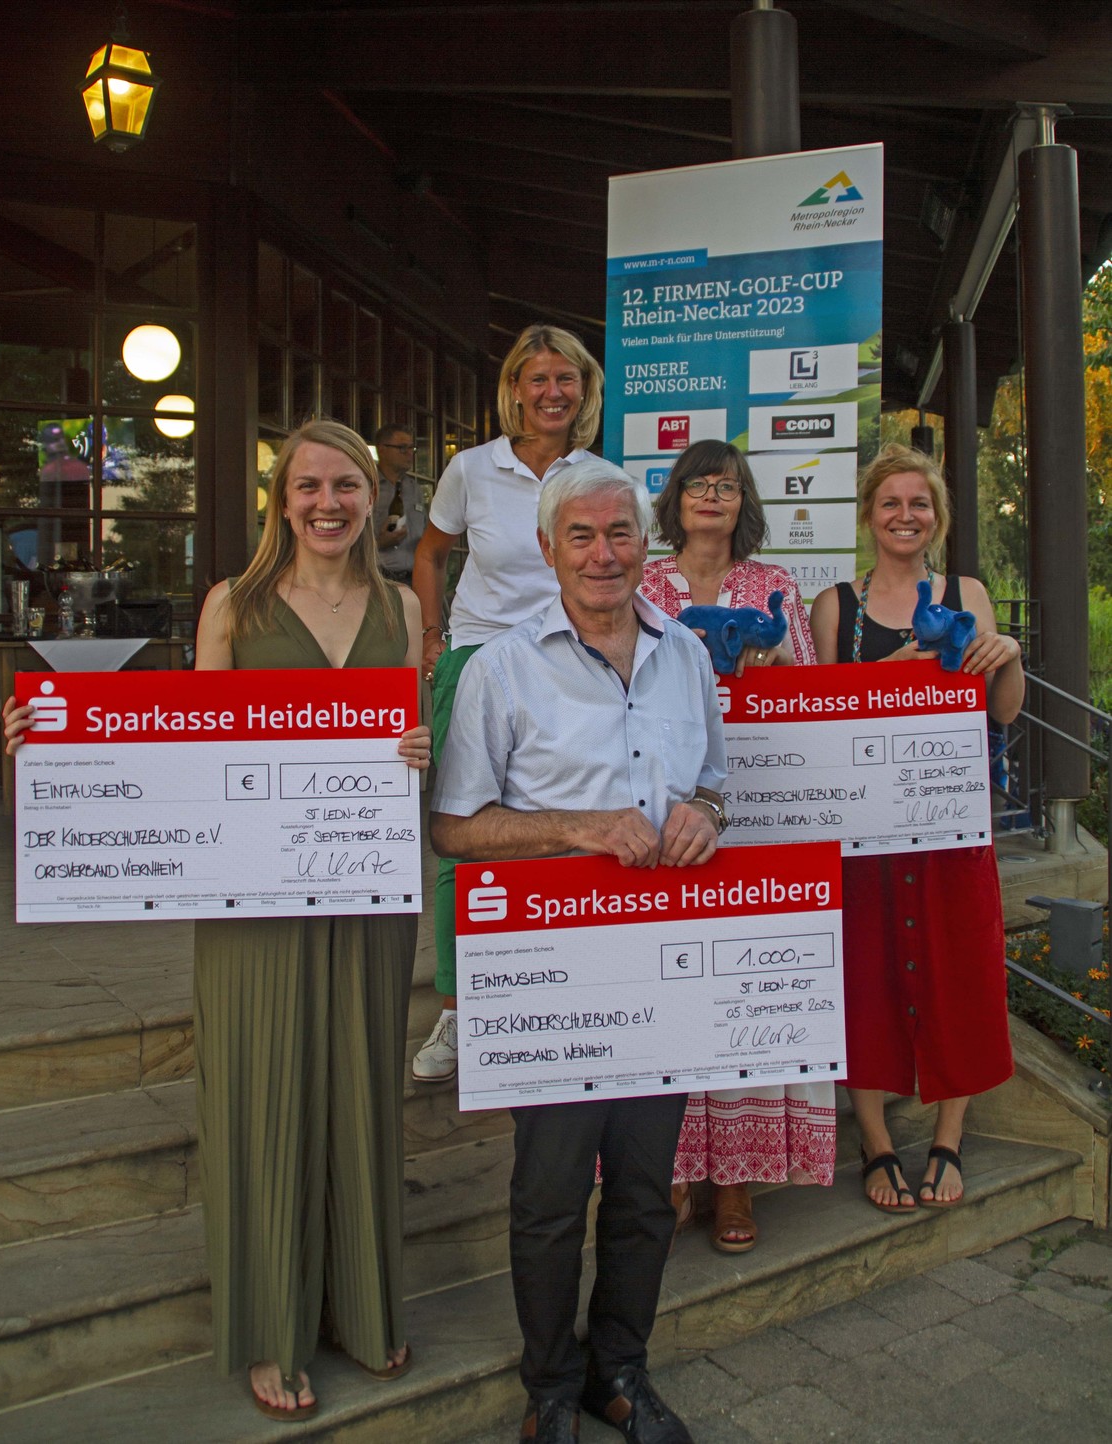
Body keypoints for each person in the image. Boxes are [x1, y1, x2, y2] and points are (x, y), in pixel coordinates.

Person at [6, 419, 433, 1419]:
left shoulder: (407, 607)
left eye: (347, 486)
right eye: (308, 486)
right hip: (255, 902)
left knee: (363, 1085)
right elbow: (192, 754)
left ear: (374, 499)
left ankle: (361, 1307)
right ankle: (269, 1327)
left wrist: (415, 749)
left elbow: (415, 745)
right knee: (263, 1091)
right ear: (280, 501)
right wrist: (56, 744)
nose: (327, 503)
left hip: (366, 894)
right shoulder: (232, 607)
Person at [431, 458, 724, 1444]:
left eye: (621, 534)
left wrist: (704, 814)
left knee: (644, 1192)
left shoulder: (686, 654)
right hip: (552, 970)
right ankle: (550, 1387)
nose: (605, 554)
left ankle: (622, 1372)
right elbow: (455, 830)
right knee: (551, 1194)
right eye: (583, 537)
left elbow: (715, 783)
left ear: (648, 545)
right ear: (550, 549)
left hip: (660, 971)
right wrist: (581, 828)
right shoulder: (501, 667)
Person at [809, 442, 1024, 1212]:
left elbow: (1001, 711)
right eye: (891, 502)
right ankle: (873, 1139)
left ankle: (947, 1136)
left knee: (956, 968)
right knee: (863, 976)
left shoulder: (967, 592)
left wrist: (1008, 655)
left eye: (920, 504)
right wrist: (897, 666)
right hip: (864, 831)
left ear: (937, 516)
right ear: (869, 514)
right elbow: (820, 722)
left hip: (950, 823)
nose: (906, 515)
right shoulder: (835, 604)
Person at [639, 440, 834, 1254]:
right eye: (697, 484)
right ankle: (669, 1169)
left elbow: (813, 692)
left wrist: (780, 656)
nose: (710, 497)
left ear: (742, 500)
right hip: (665, 805)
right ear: (676, 499)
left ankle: (737, 1181)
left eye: (725, 486)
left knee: (745, 986)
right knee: (671, 986)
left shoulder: (776, 586)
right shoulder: (645, 583)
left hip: (762, 802)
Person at [410, 324, 604, 1082]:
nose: (553, 392)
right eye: (539, 379)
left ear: (584, 391)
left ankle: (544, 990)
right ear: (515, 390)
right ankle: (460, 1010)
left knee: (560, 827)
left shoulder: (599, 471)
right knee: (463, 837)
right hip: (480, 660)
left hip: (568, 667)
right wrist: (432, 634)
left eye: (568, 379)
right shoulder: (471, 468)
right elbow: (430, 554)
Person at [373, 423, 426, 584]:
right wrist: (379, 543)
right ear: (382, 449)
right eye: (403, 448)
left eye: (412, 448)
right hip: (376, 578)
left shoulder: (414, 489)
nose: (410, 454)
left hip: (413, 580)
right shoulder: (366, 485)